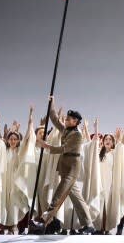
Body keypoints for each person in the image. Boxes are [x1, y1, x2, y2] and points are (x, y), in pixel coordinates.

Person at [29, 96, 95, 235]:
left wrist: (46, 145)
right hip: (65, 167)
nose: (65, 120)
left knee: (58, 195)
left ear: (75, 121)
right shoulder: (65, 129)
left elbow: (63, 149)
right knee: (77, 198)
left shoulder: (77, 135)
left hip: (72, 168)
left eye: (68, 119)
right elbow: (53, 118)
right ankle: (89, 225)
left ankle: (43, 222)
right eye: (65, 118)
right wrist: (51, 103)